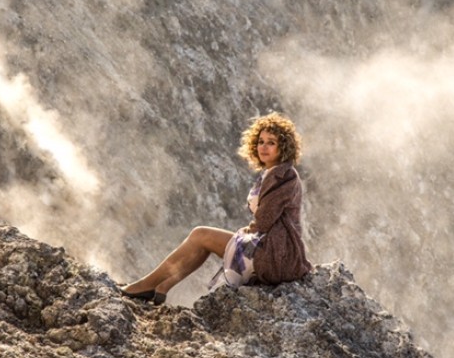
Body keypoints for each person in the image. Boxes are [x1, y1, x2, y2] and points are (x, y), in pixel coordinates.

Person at [121, 112, 312, 305]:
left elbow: (264, 221)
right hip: (268, 249)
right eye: (260, 141)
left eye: (271, 142)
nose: (263, 147)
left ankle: (147, 285)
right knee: (201, 241)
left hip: (276, 255)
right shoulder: (271, 173)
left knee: (200, 235)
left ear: (283, 146)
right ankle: (161, 287)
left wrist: (245, 232)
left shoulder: (285, 175)